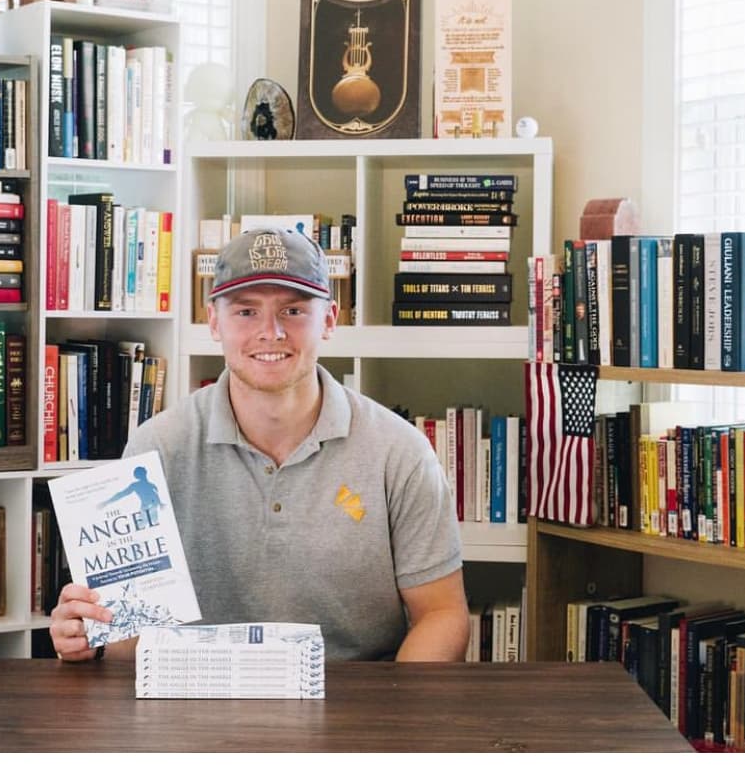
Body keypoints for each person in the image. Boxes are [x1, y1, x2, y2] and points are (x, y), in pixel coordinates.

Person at [50, 227, 470, 662]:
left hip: (354, 709)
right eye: (246, 312)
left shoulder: (400, 452)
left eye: (292, 310)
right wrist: (88, 635)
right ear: (214, 322)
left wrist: (393, 716)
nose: (271, 332)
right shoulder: (156, 447)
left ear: (330, 319)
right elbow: (126, 643)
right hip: (194, 703)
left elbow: (441, 613)